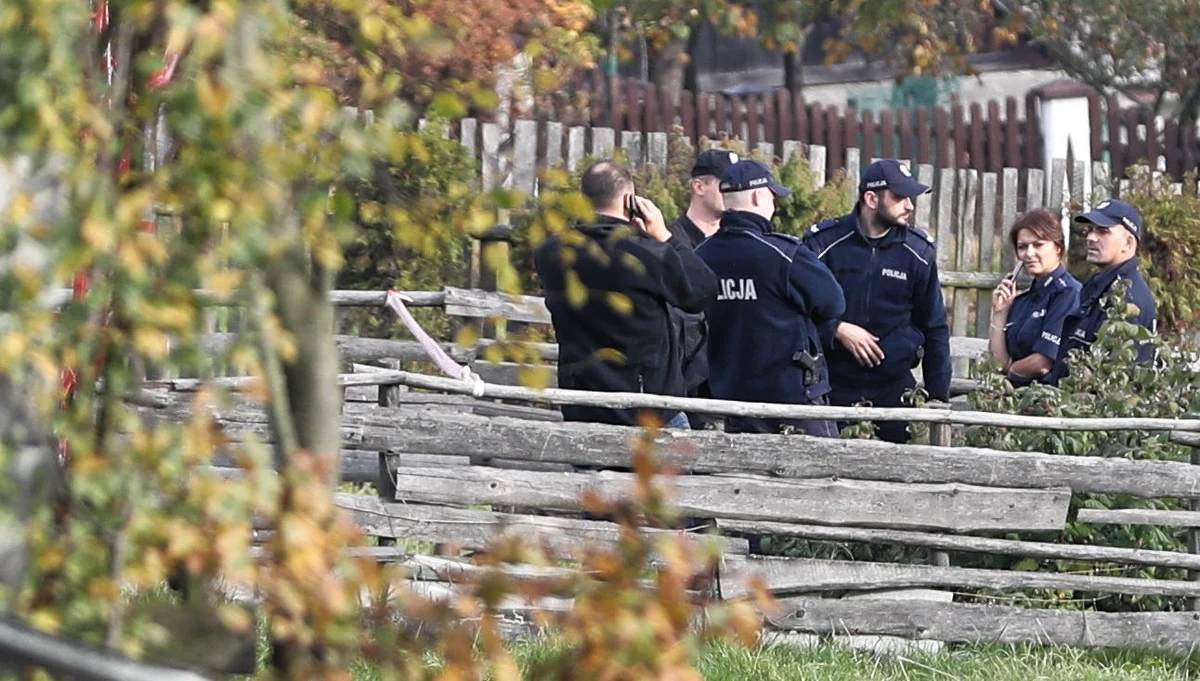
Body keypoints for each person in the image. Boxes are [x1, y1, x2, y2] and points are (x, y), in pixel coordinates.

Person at [533, 160, 717, 427]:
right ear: (631, 201)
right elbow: (702, 291)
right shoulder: (646, 254)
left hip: (583, 409)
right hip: (648, 409)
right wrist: (666, 237)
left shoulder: (549, 253)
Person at [801, 159, 951, 443]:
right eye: (900, 197)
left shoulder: (918, 252)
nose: (909, 205)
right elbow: (796, 314)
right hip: (831, 386)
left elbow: (935, 328)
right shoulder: (823, 245)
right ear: (871, 198)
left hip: (893, 390)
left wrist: (939, 400)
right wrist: (837, 330)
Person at [695, 160, 846, 436]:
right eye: (772, 195)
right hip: (792, 402)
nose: (775, 205)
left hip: (731, 403)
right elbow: (834, 302)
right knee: (828, 474)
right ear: (757, 196)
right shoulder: (783, 254)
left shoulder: (701, 256)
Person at [1045, 199, 1157, 384]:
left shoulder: (1126, 300)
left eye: (1103, 231)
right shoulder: (1101, 287)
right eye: (1090, 230)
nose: (1090, 237)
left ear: (1128, 243)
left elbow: (1115, 385)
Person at [667, 148, 738, 429]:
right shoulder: (669, 242)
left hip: (733, 388)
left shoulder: (741, 245)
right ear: (699, 186)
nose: (734, 191)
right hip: (686, 390)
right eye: (725, 185)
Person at [988, 208, 1082, 387]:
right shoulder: (1022, 300)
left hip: (1046, 400)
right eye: (1022, 247)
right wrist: (1000, 313)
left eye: (1038, 245)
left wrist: (1010, 370)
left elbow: (1043, 363)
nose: (1029, 254)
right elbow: (996, 364)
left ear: (1058, 248)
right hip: (1011, 396)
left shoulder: (1068, 294)